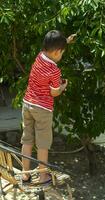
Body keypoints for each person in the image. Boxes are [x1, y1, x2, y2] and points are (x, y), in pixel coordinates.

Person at [21, 30, 76, 184]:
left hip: (27, 104)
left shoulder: (39, 56)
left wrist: (66, 41)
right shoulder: (54, 71)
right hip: (42, 109)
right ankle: (43, 175)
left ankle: (25, 175)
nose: (62, 56)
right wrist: (63, 86)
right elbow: (54, 93)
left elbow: (52, 47)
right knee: (43, 144)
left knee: (27, 140)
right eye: (62, 52)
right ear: (57, 52)